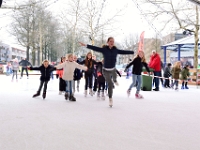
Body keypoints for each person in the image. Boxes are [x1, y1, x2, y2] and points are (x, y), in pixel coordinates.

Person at [79, 37, 134, 107]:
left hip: (113, 69)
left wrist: (132, 52)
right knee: (110, 85)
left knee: (114, 75)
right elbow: (96, 48)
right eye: (110, 41)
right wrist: (86, 45)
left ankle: (115, 80)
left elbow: (123, 52)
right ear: (107, 42)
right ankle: (110, 98)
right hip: (105, 70)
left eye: (113, 41)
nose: (112, 42)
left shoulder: (115, 50)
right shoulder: (104, 50)